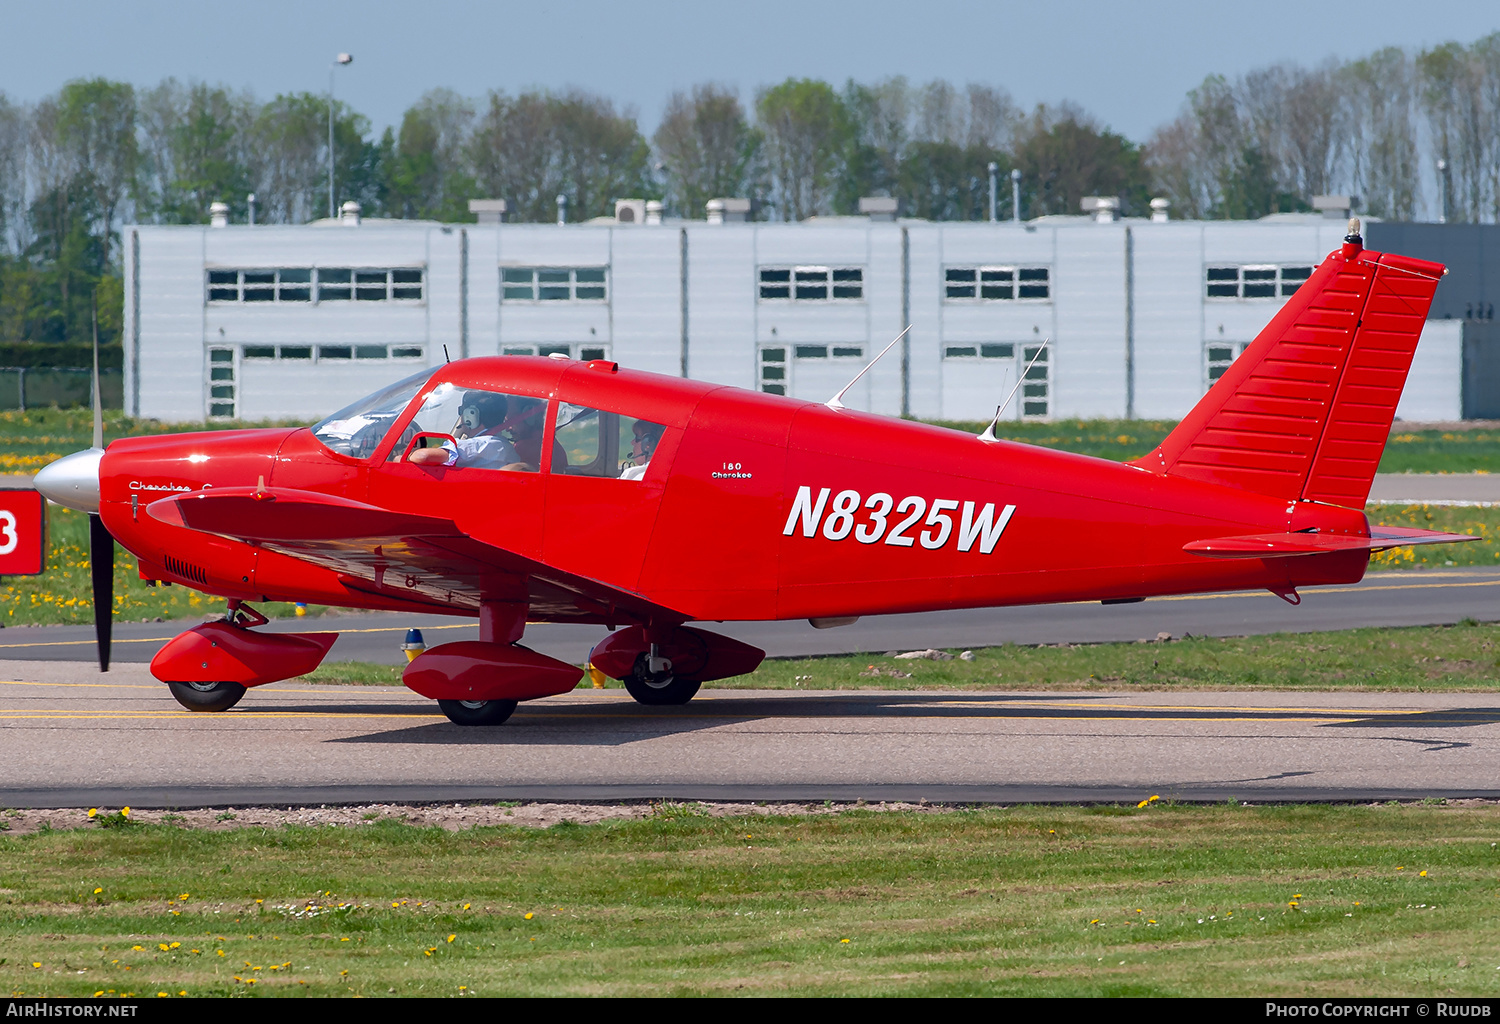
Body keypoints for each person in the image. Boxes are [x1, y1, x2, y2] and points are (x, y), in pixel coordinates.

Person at [408, 389, 522, 469]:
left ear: (471, 415)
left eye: (461, 412)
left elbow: (423, 457)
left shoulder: (475, 445)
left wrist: (404, 456)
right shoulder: (505, 447)